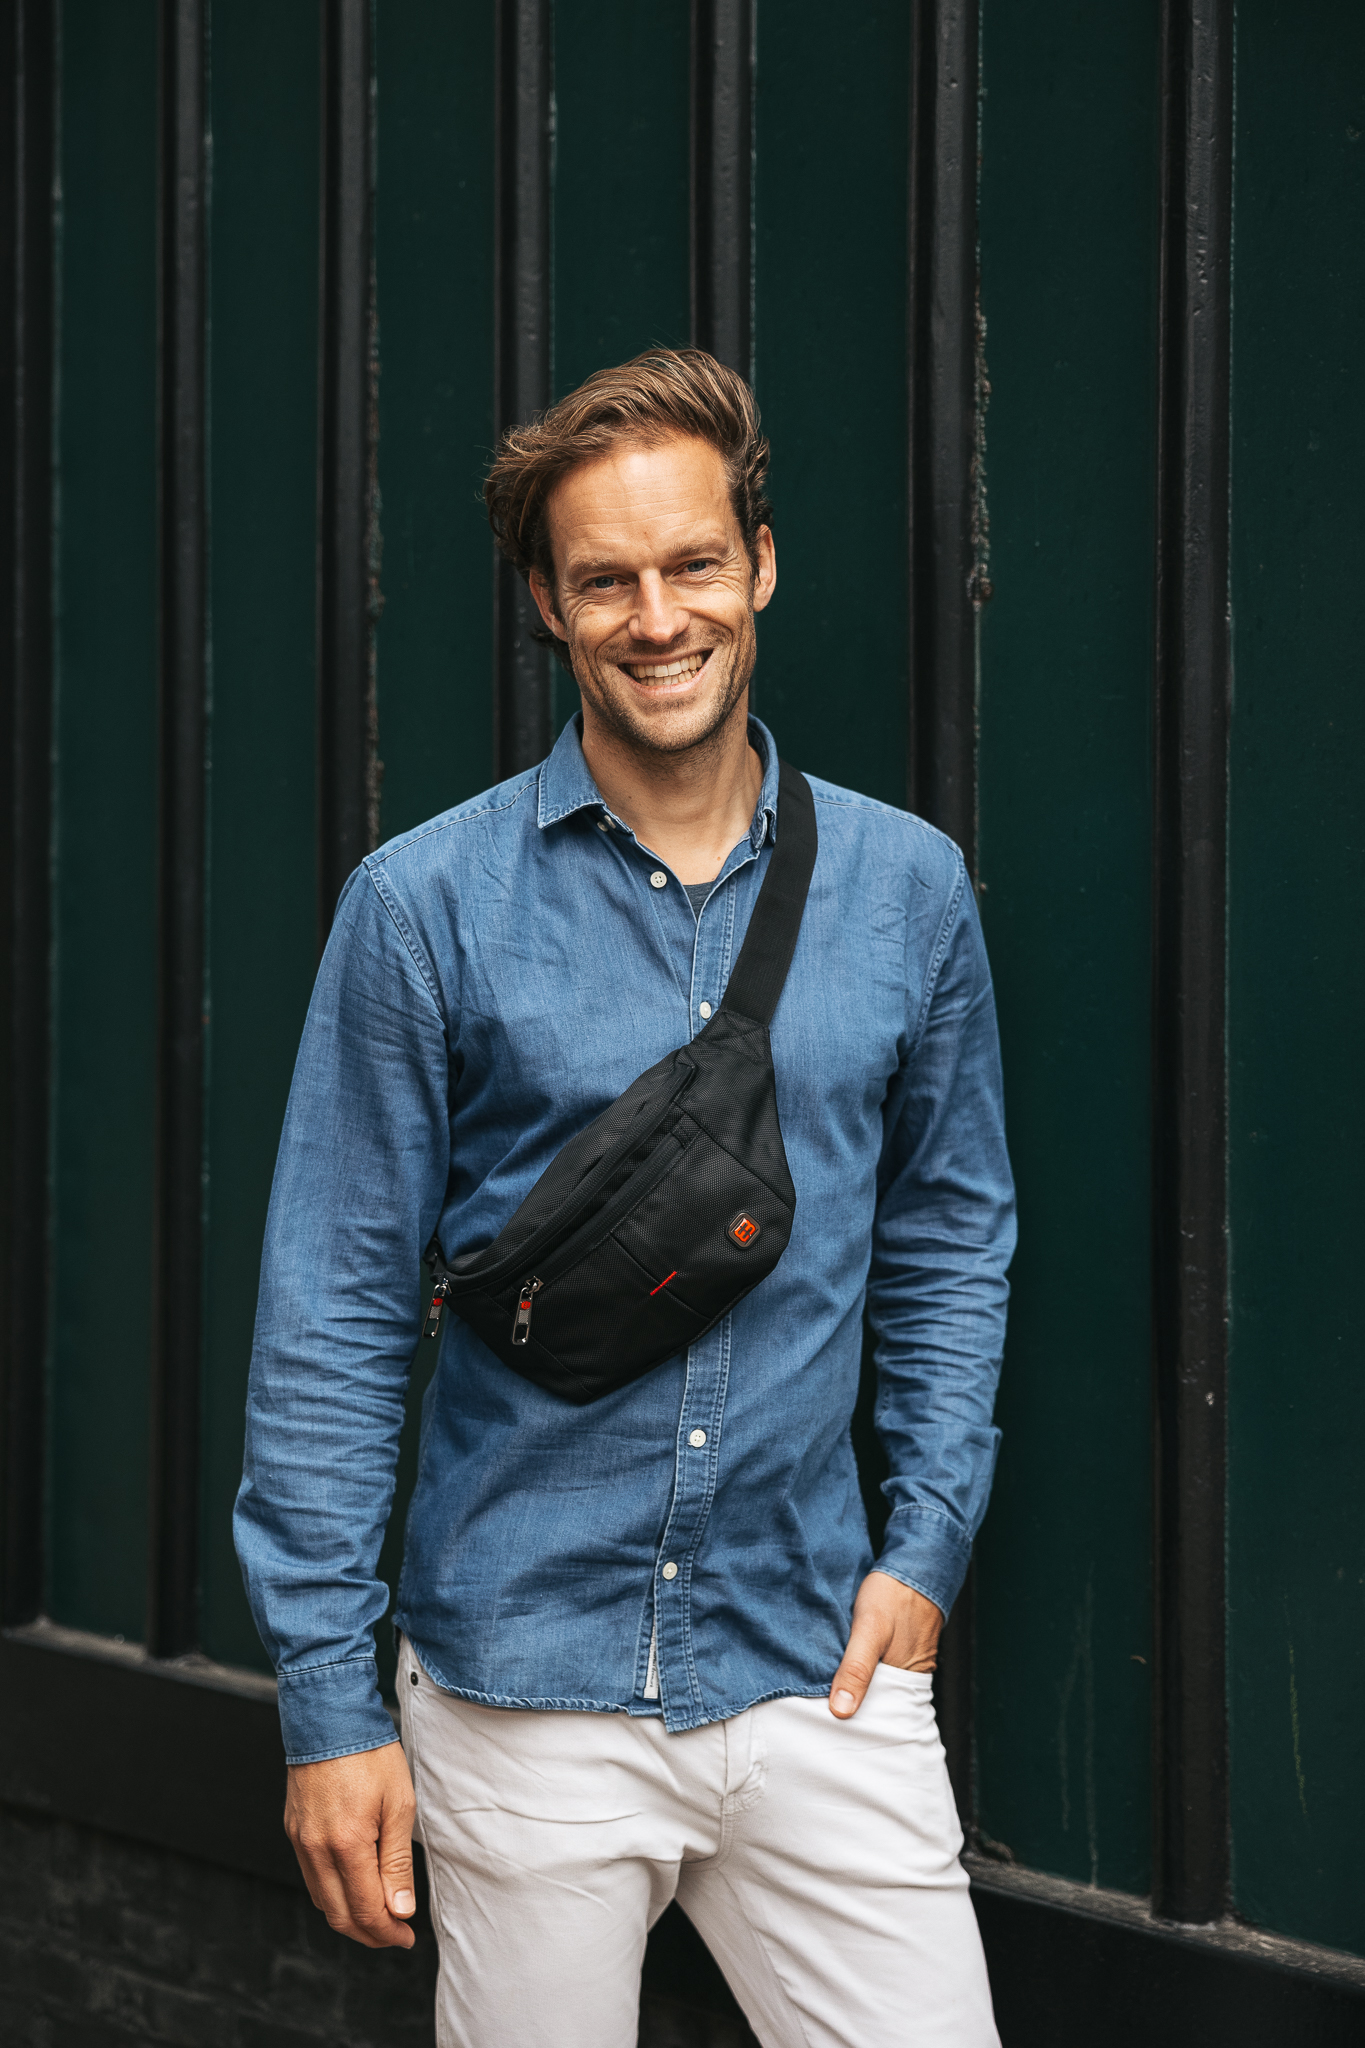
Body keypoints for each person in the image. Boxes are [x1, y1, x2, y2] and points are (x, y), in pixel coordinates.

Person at [235, 347, 1015, 2048]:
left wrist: (926, 1542)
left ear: (760, 565)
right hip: (523, 1688)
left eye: (692, 564)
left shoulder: (907, 889)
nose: (657, 619)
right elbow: (334, 1314)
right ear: (547, 602)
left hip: (821, 1670)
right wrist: (327, 1706)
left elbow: (951, 1233)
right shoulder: (422, 908)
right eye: (604, 581)